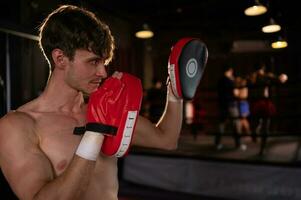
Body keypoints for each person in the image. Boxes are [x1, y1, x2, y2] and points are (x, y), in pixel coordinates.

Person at [0, 5, 183, 200]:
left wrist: (176, 91)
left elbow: (166, 140)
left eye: (104, 62)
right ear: (60, 58)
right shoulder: (18, 126)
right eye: (93, 62)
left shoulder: (103, 109)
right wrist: (94, 133)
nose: (103, 73)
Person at [248, 63, 288, 155]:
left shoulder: (251, 78)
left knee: (256, 122)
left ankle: (254, 131)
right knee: (265, 126)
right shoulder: (265, 76)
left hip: (255, 104)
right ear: (263, 68)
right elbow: (280, 80)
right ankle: (262, 148)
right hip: (264, 103)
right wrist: (283, 77)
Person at [216, 65, 245, 150]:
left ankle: (217, 144)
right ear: (230, 70)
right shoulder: (230, 81)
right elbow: (235, 93)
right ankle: (238, 144)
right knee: (236, 124)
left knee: (221, 124)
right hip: (231, 104)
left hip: (222, 104)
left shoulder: (220, 80)